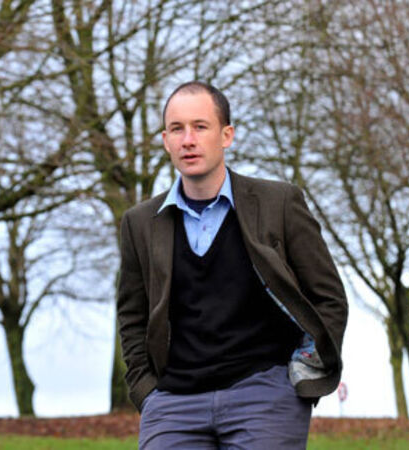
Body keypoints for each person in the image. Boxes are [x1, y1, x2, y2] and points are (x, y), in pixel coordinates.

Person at [116, 81, 348, 449]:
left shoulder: (279, 203)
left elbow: (328, 297)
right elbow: (132, 315)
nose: (188, 140)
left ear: (227, 135)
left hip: (265, 394)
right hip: (173, 402)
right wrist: (147, 391)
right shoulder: (140, 223)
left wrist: (303, 374)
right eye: (177, 129)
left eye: (200, 127)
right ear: (165, 141)